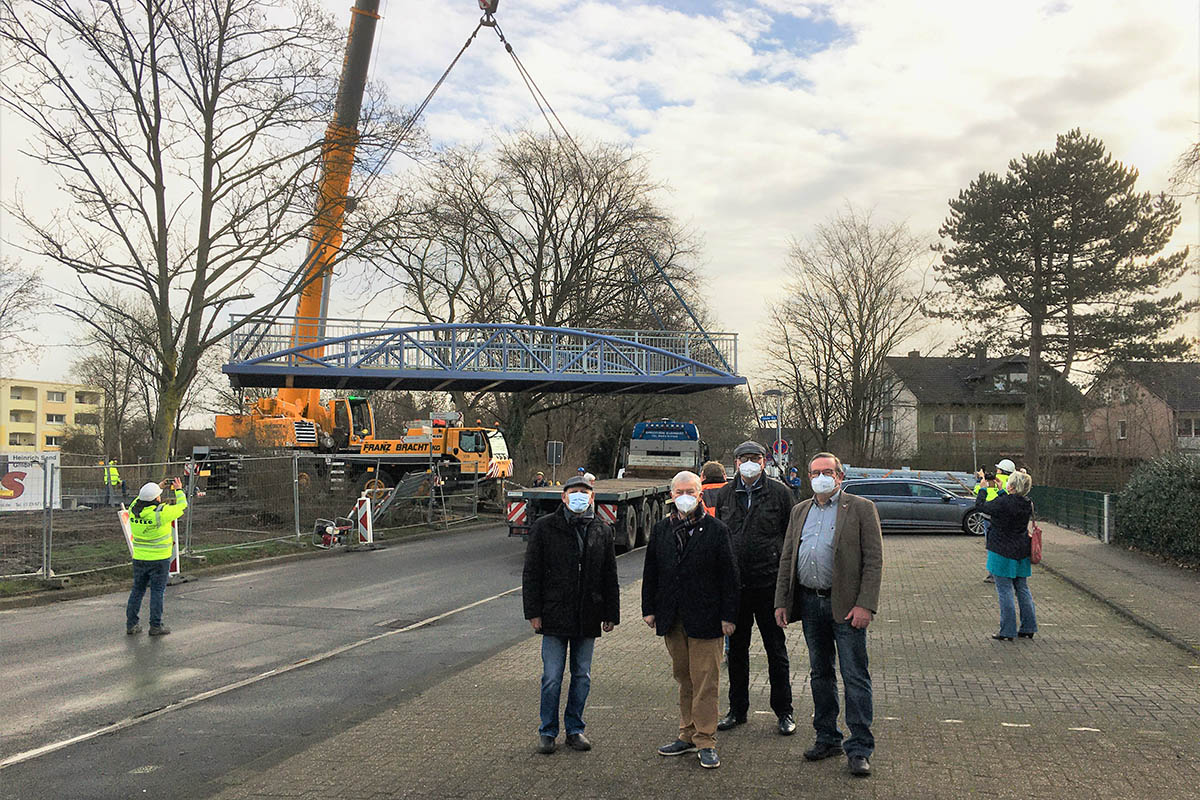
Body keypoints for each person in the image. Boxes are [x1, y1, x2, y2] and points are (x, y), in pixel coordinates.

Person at [774, 452, 883, 778]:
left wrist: (866, 604)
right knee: (820, 674)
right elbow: (787, 557)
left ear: (839, 475)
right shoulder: (800, 510)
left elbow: (874, 561)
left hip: (847, 607)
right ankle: (827, 737)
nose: (820, 477)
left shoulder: (861, 509)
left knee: (854, 676)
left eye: (827, 472)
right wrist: (782, 600)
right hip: (810, 604)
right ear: (808, 476)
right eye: (815, 472)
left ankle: (860, 746)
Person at [643, 471, 738, 770]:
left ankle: (706, 739)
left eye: (690, 491)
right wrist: (649, 609)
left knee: (705, 681)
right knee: (684, 678)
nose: (684, 496)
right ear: (671, 494)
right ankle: (686, 733)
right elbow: (651, 572)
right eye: (679, 491)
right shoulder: (661, 530)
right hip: (673, 618)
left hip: (708, 619)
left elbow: (730, 577)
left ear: (700, 495)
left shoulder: (716, 530)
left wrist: (728, 616)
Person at [522, 475, 620, 755]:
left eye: (584, 492)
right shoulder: (545, 528)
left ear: (592, 497)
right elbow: (532, 573)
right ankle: (547, 731)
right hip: (553, 615)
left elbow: (609, 575)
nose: (579, 496)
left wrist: (611, 612)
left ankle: (575, 729)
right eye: (574, 491)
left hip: (588, 615)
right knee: (552, 676)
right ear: (564, 497)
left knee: (582, 676)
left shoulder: (601, 529)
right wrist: (534, 612)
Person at [713, 440, 798, 736]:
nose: (750, 463)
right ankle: (737, 709)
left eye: (755, 458)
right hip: (736, 587)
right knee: (736, 651)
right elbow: (719, 538)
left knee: (776, 650)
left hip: (768, 583)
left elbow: (790, 538)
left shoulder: (779, 493)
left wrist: (786, 588)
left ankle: (784, 711)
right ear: (735, 462)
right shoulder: (725, 494)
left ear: (764, 461)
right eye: (744, 458)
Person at [975, 469, 1038, 641]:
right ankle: (1028, 626)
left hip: (1002, 550)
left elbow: (981, 507)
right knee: (1022, 588)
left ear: (1012, 485)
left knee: (1004, 590)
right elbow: (1008, 502)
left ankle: (1007, 630)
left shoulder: (1004, 504)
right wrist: (1001, 490)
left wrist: (983, 488)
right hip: (1021, 549)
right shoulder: (1027, 503)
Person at [125, 477, 187, 636]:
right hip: (159, 560)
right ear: (156, 498)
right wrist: (178, 489)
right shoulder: (162, 513)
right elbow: (182, 506)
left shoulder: (133, 509)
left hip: (139, 558)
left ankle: (131, 625)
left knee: (137, 591)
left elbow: (140, 498)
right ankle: (155, 626)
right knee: (157, 593)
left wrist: (158, 487)